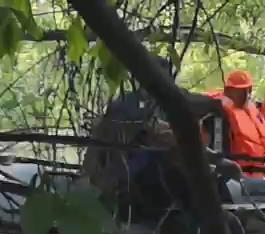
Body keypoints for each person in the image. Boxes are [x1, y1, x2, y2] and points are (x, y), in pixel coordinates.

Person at [82, 55, 241, 218]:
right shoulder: (133, 107)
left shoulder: (153, 102)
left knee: (208, 183)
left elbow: (204, 105)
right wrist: (214, 158)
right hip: (132, 184)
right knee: (192, 180)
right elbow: (163, 135)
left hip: (134, 180)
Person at [204, 60, 265, 180]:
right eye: (239, 90)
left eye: (247, 90)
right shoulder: (220, 112)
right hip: (235, 179)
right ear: (228, 91)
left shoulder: (255, 110)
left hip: (260, 178)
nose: (246, 94)